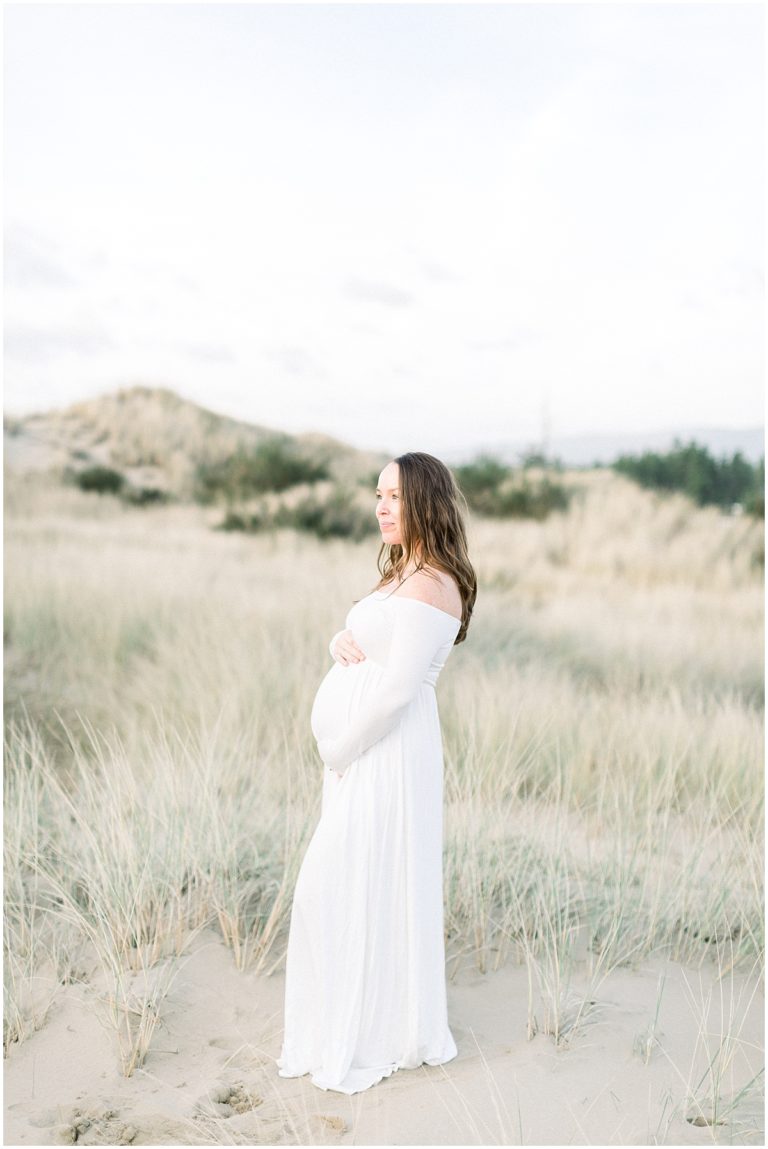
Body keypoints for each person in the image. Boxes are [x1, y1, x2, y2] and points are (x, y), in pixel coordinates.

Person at [276, 451, 477, 1095]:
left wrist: (341, 750)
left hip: (384, 752)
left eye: (393, 496)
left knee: (342, 881)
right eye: (378, 495)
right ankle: (353, 1017)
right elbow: (375, 642)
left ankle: (377, 1029)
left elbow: (395, 693)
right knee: (348, 881)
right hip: (367, 751)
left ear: (424, 502)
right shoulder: (402, 574)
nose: (381, 507)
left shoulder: (433, 581)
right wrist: (340, 640)